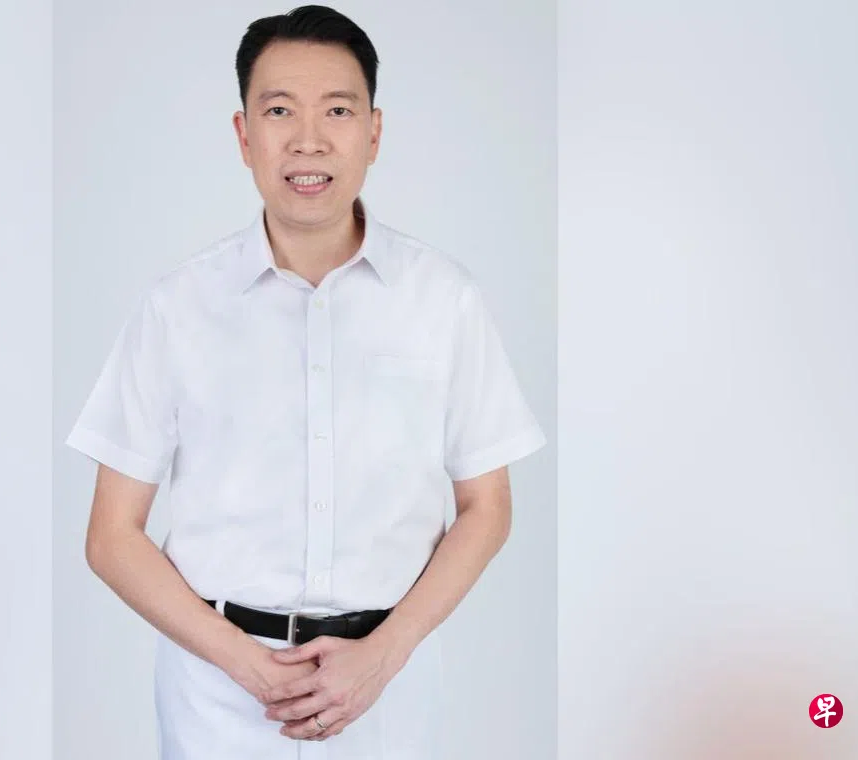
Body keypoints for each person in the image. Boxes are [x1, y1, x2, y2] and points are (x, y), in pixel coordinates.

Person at [65, 5, 546, 758]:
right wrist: (248, 666)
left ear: (374, 133)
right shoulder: (177, 307)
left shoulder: (443, 298)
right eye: (280, 110)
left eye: (338, 111)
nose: (308, 140)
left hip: (388, 696)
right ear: (244, 135)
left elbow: (486, 507)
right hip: (217, 702)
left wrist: (384, 656)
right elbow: (111, 537)